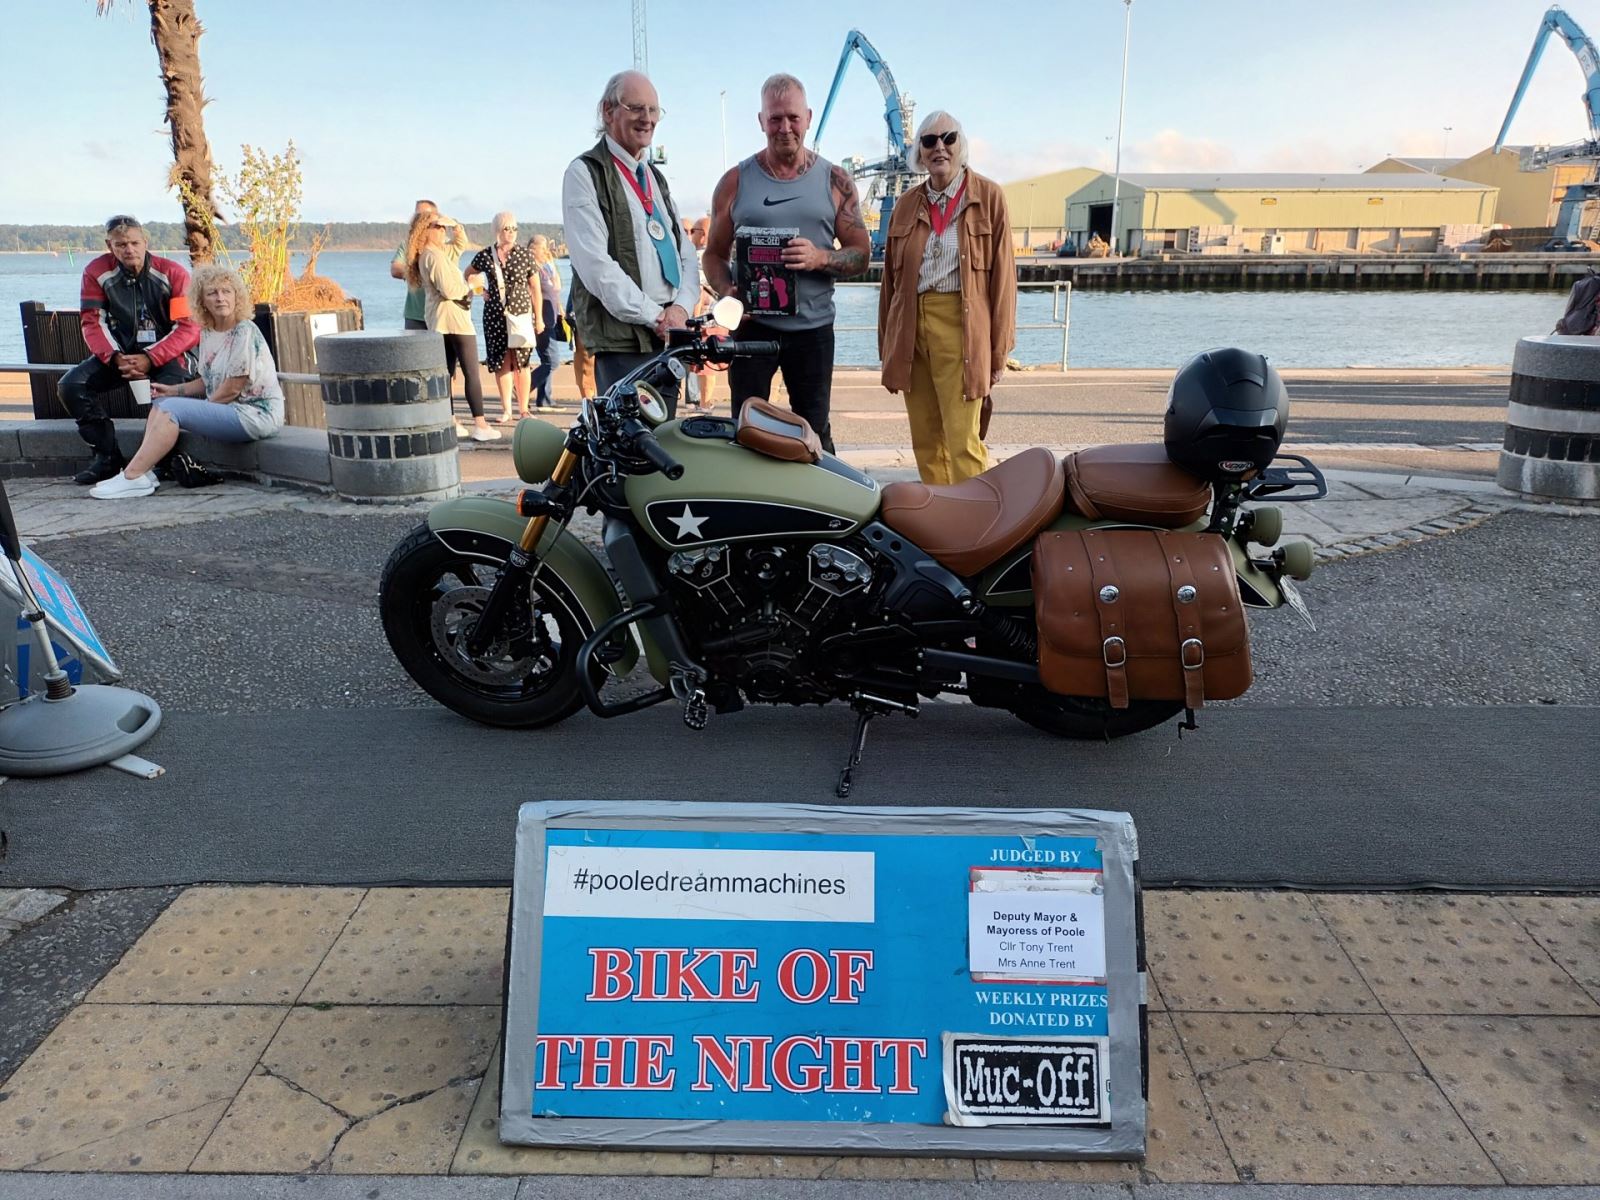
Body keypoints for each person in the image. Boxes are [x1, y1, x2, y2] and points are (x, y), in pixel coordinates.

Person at [703, 74, 871, 452]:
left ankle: (823, 507)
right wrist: (726, 290)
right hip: (752, 329)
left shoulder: (836, 181)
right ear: (761, 121)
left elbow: (862, 253)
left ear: (809, 117)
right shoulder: (734, 182)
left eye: (793, 118)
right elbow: (713, 254)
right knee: (744, 430)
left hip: (812, 332)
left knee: (814, 433)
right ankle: (750, 506)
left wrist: (820, 257)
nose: (785, 128)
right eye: (775, 119)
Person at [877, 112, 1016, 486]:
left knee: (963, 439)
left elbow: (1004, 280)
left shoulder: (988, 197)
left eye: (948, 138)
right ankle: (940, 519)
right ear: (919, 153)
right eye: (929, 141)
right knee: (924, 437)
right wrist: (887, 346)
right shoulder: (906, 205)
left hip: (961, 323)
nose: (939, 146)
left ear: (960, 145)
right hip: (910, 323)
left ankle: (979, 525)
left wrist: (998, 351)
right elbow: (889, 282)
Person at [562, 70, 699, 413]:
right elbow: (595, 267)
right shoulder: (585, 173)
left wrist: (680, 310)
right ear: (608, 111)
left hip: (666, 335)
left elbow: (686, 254)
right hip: (624, 340)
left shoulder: (654, 177)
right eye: (637, 108)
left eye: (654, 111)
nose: (648, 119)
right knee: (629, 449)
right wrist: (656, 317)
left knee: (664, 441)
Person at [89, 264, 283, 499]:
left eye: (227, 291)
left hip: (257, 415)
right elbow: (207, 380)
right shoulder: (209, 332)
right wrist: (173, 390)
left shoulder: (244, 331)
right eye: (212, 293)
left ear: (237, 296)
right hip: (231, 410)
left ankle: (132, 476)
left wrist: (198, 411)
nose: (220, 298)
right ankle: (143, 472)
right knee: (162, 403)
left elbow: (233, 387)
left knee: (171, 410)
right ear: (202, 300)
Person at [60, 215, 201, 485]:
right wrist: (113, 357)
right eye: (121, 244)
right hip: (120, 355)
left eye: (135, 242)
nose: (129, 249)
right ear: (109, 245)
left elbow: (187, 327)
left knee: (168, 399)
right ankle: (106, 457)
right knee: (72, 385)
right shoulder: (95, 272)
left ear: (145, 242)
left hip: (169, 355)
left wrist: (151, 357)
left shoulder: (173, 273)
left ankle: (164, 461)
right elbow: (92, 321)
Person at [406, 211, 498, 442]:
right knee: (471, 372)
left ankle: (450, 418)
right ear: (426, 230)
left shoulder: (435, 252)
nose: (442, 231)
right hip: (453, 319)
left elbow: (460, 244)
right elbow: (449, 290)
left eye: (443, 228)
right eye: (438, 227)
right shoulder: (433, 256)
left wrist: (455, 225)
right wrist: (471, 285)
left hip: (441, 319)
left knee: (447, 372)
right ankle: (480, 423)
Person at [466, 212, 541, 424]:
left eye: (514, 228)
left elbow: (535, 287)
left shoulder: (525, 255)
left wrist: (539, 317)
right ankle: (507, 409)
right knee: (502, 362)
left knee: (523, 362)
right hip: (495, 315)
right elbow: (468, 274)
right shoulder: (485, 255)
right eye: (507, 228)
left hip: (520, 315)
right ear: (498, 230)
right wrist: (481, 290)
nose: (511, 233)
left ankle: (524, 409)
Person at [392, 199, 465, 330]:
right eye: (417, 215)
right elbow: (395, 269)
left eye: (425, 215)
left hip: (441, 313)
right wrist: (417, 271)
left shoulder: (447, 246)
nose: (420, 219)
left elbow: (461, 244)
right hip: (415, 314)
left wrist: (455, 225)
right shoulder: (408, 245)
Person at [686, 216, 719, 412]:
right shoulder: (716, 257)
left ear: (703, 235)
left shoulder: (699, 258)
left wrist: (693, 322)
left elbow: (697, 291)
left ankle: (704, 404)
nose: (690, 235)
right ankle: (704, 402)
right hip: (716, 318)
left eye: (693, 231)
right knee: (709, 364)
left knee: (705, 366)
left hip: (703, 321)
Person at [528, 234, 563, 410]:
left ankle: (545, 399)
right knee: (553, 360)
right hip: (541, 317)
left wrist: (561, 310)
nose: (545, 251)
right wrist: (536, 318)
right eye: (542, 248)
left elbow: (555, 291)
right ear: (534, 248)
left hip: (552, 315)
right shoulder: (532, 268)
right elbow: (532, 293)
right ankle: (525, 387)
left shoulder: (548, 266)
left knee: (547, 359)